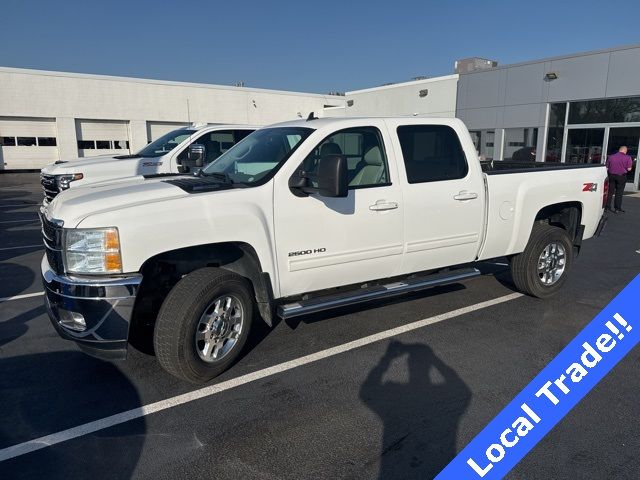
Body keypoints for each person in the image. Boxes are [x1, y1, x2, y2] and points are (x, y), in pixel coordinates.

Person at [605, 146, 633, 213]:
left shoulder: (611, 157)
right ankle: (617, 208)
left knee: (610, 192)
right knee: (619, 193)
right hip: (621, 177)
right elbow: (629, 169)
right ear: (625, 151)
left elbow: (606, 168)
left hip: (611, 176)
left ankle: (607, 207)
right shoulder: (628, 157)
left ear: (619, 150)